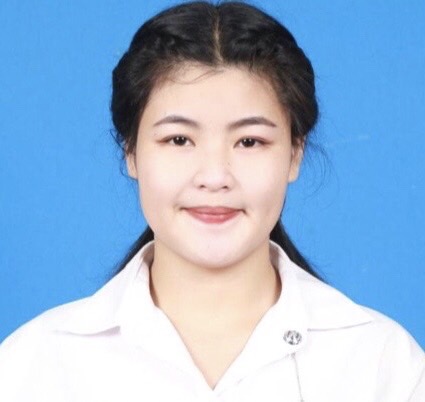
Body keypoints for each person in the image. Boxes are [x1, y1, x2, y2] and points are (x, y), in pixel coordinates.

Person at [0, 1, 423, 400]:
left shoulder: (381, 364)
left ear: (295, 153)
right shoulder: (35, 366)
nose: (215, 176)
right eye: (179, 140)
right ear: (130, 151)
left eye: (249, 141)